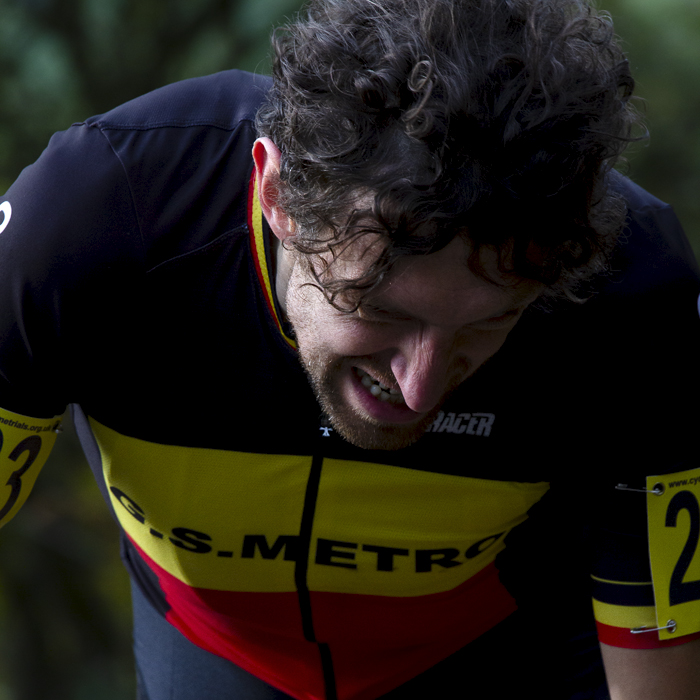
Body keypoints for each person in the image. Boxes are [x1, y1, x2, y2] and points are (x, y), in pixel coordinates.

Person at [0, 0, 699, 697]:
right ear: (279, 198)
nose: (419, 388)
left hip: (504, 647)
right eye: (378, 307)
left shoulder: (632, 288)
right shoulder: (96, 217)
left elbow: (663, 665)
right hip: (224, 645)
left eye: (491, 322)